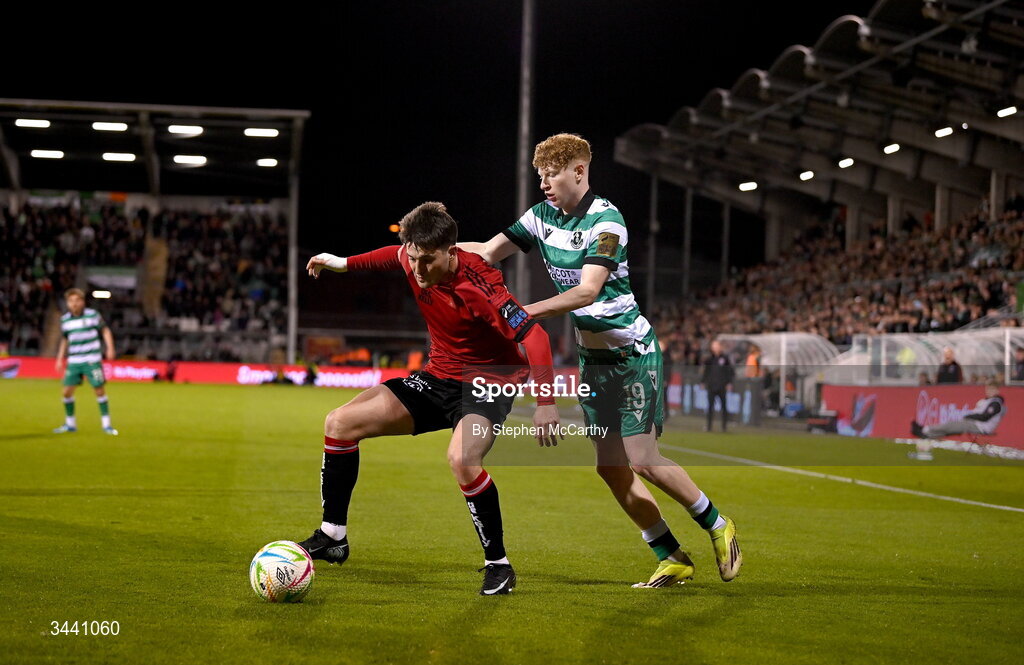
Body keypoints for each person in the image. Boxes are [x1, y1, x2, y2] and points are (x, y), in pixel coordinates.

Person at [459, 133, 741, 588]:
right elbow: (488, 251)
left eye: (552, 174)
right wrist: (430, 253)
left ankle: (717, 524)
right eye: (540, 176)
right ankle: (671, 555)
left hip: (632, 355)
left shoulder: (607, 221)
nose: (545, 184)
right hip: (595, 362)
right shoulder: (539, 217)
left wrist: (524, 311)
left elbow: (588, 291)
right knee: (610, 467)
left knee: (643, 458)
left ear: (578, 171)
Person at [299, 202, 559, 596]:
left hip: (487, 385)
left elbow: (535, 337)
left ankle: (498, 565)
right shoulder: (412, 254)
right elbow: (391, 255)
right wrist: (341, 263)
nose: (418, 270)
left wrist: (546, 403)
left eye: (428, 261)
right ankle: (333, 536)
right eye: (414, 258)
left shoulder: (483, 285)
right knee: (339, 423)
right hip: (436, 378)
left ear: (451, 251)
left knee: (462, 459)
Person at [53, 288, 118, 435]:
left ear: (82, 302)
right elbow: (65, 339)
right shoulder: (65, 320)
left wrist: (110, 348)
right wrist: (59, 358)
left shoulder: (93, 315)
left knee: (99, 390)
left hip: (92, 359)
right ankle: (70, 424)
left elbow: (105, 331)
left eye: (77, 300)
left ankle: (106, 425)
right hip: (74, 360)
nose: (74, 304)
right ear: (67, 303)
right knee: (66, 392)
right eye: (71, 301)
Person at [911, 379, 1005, 439]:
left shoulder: (995, 403)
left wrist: (970, 416)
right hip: (976, 424)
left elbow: (985, 417)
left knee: (951, 425)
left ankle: (925, 430)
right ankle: (927, 434)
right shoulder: (988, 401)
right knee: (951, 429)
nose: (989, 391)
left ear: (997, 390)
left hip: (981, 426)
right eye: (988, 389)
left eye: (992, 389)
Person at [701, 340, 735, 432]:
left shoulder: (725, 358)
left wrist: (729, 383)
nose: (715, 348)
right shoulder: (709, 359)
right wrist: (703, 382)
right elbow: (706, 372)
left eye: (717, 346)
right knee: (710, 407)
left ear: (720, 347)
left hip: (722, 386)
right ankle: (709, 426)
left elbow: (729, 372)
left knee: (724, 407)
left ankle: (724, 427)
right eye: (713, 346)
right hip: (711, 386)